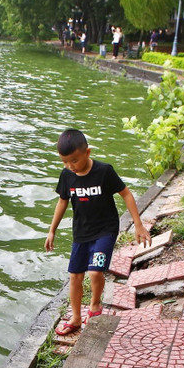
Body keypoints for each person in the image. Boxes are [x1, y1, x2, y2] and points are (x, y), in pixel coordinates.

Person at [44, 129, 151, 336]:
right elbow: (62, 201)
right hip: (81, 233)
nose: (69, 166)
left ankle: (94, 306)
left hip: (105, 231)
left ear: (87, 152)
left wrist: (138, 224)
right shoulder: (67, 176)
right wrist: (52, 231)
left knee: (94, 271)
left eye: (74, 161)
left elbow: (126, 193)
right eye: (65, 162)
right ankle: (75, 318)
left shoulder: (104, 171)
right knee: (75, 276)